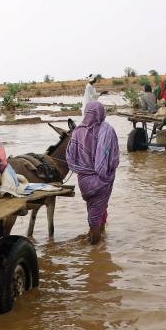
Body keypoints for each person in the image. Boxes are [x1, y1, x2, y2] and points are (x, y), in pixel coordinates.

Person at [65, 100, 120, 245]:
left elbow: (70, 158)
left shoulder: (77, 132)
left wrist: (83, 169)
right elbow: (113, 158)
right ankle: (95, 251)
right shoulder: (106, 130)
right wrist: (104, 170)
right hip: (102, 181)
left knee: (92, 210)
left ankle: (95, 253)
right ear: (101, 113)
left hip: (84, 182)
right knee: (94, 218)